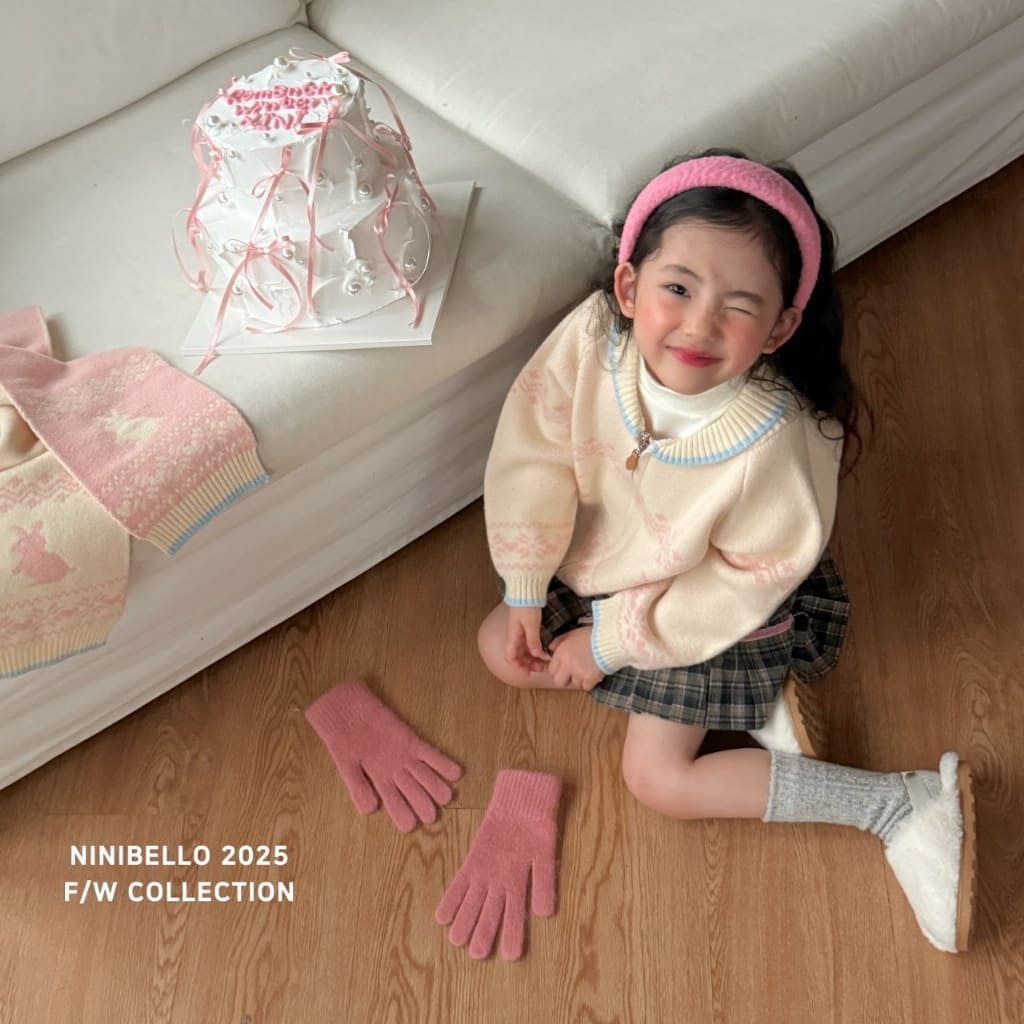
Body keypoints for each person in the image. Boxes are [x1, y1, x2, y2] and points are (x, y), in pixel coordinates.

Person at [477, 149, 975, 954]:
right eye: (677, 289)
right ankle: (745, 706)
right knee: (499, 647)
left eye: (739, 306)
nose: (700, 325)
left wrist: (607, 644)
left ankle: (898, 804)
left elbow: (744, 579)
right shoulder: (590, 340)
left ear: (780, 327)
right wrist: (526, 584)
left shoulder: (775, 438)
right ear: (628, 286)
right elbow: (530, 452)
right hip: (602, 562)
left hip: (710, 604)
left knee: (657, 780)